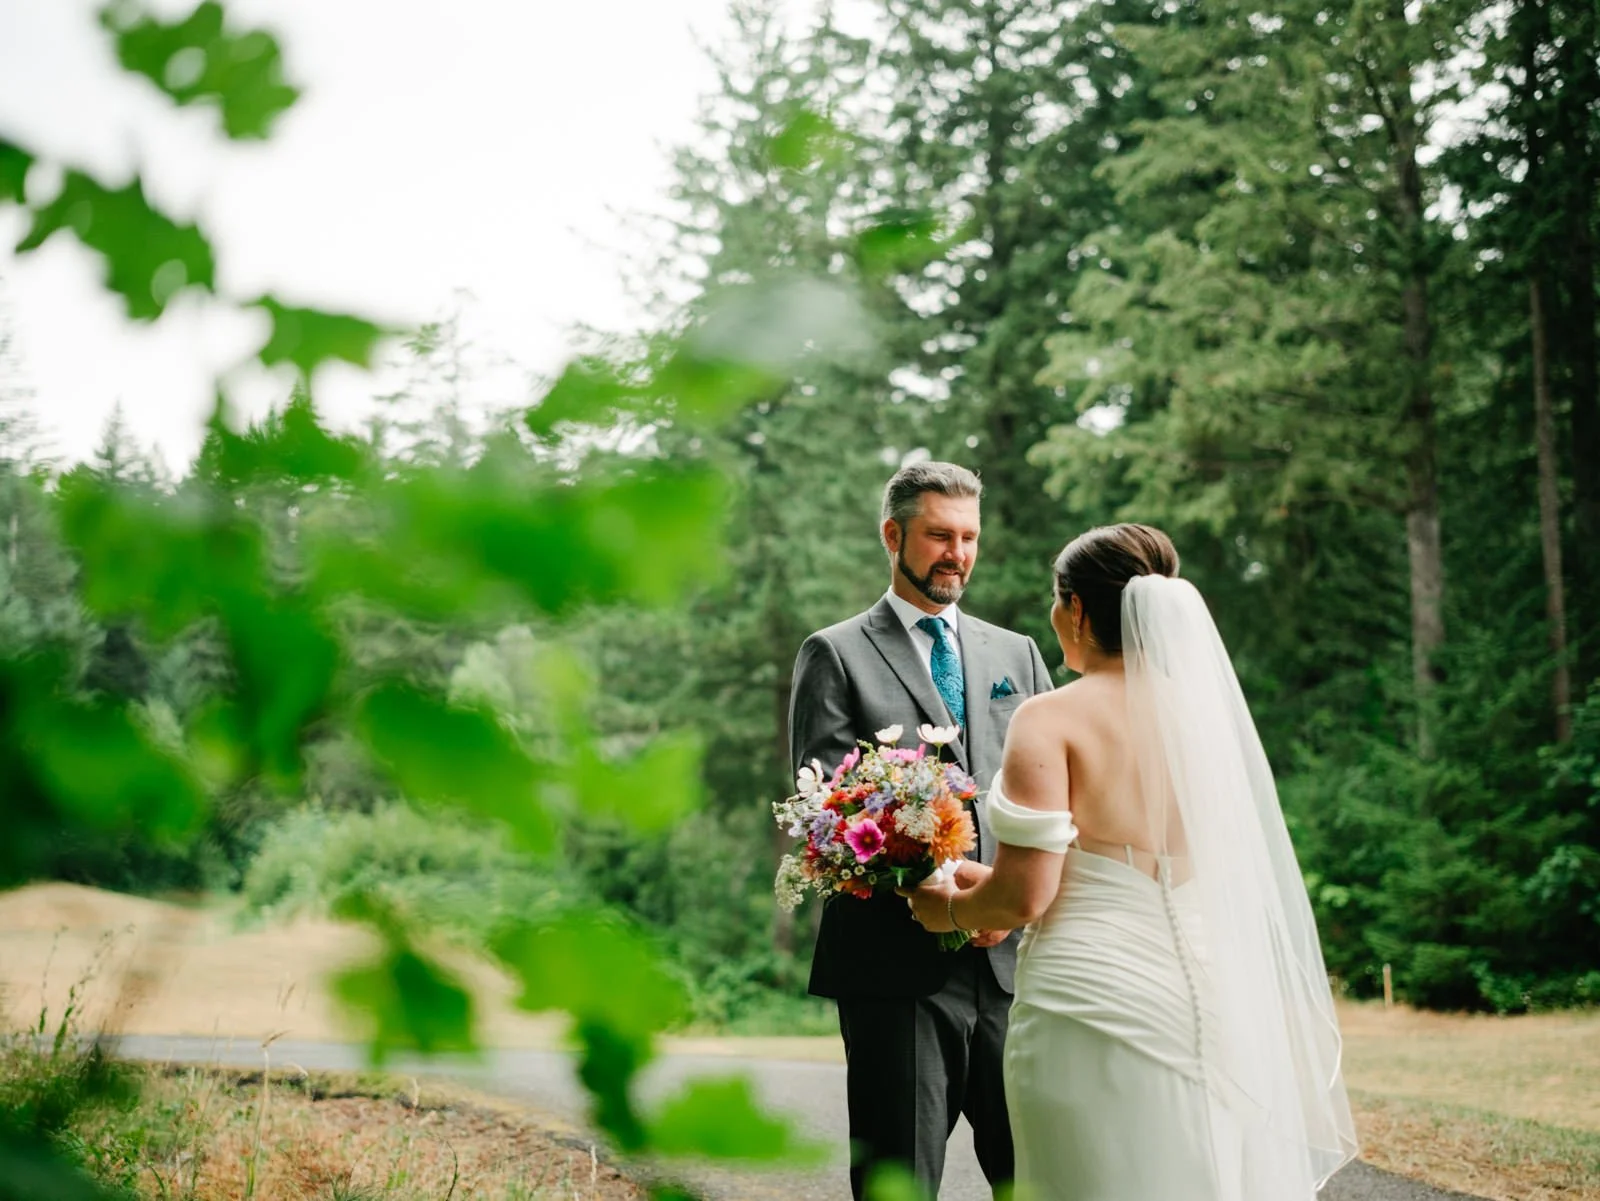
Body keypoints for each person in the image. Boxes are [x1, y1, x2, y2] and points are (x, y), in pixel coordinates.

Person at [905, 523, 1358, 1201]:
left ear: (1078, 610)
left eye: (1056, 600)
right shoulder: (1207, 722)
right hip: (1208, 998)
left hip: (1088, 1001)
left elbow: (1025, 897)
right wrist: (994, 882)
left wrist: (945, 906)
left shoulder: (1050, 718)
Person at [787, 461, 1056, 1200]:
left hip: (1013, 968)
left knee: (1039, 1178)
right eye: (939, 535)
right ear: (893, 535)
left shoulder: (1018, 654)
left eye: (969, 537)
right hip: (893, 970)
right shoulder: (835, 652)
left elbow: (1055, 792)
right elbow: (828, 811)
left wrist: (1008, 902)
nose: (957, 554)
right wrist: (954, 892)